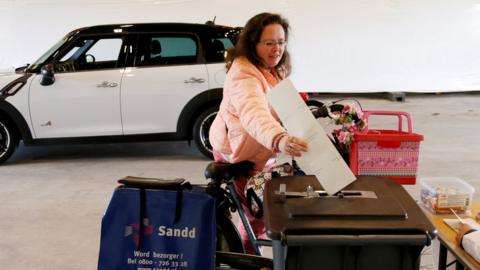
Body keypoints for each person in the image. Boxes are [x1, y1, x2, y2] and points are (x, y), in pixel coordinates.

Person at [209, 12, 308, 254]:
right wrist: (279, 138)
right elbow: (254, 113)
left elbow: (282, 105)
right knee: (256, 217)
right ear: (253, 43)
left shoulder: (272, 67)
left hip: (260, 148)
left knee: (266, 210)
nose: (277, 49)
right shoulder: (243, 73)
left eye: (281, 42)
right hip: (238, 150)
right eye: (269, 43)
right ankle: (250, 261)